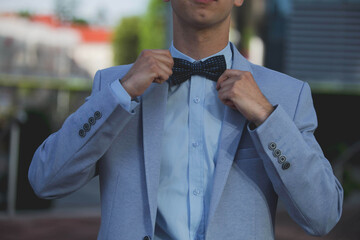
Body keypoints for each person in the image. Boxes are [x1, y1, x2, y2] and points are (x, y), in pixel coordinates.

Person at [28, 0, 343, 239]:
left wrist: (265, 116)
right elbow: (45, 180)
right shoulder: (115, 86)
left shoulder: (286, 94)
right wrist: (120, 95)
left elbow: (322, 215)